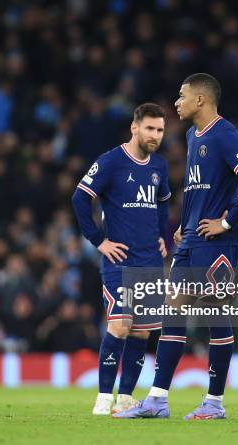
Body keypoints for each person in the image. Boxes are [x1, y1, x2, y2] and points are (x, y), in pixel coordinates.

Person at [115, 73, 238, 420]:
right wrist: (185, 224)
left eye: (182, 96)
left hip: (221, 240)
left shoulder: (224, 133)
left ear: (201, 100)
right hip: (193, 238)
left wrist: (226, 221)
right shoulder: (191, 134)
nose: (177, 102)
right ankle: (157, 399)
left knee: (215, 314)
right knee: (174, 309)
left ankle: (214, 402)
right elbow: (198, 186)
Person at [71, 103, 171, 415]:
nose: (155, 135)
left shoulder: (159, 167)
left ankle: (126, 396)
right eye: (150, 128)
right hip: (119, 260)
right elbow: (79, 198)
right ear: (134, 127)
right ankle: (103, 396)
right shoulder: (111, 161)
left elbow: (163, 202)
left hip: (150, 260)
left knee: (142, 331)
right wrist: (99, 241)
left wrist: (160, 236)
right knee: (120, 325)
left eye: (160, 130)